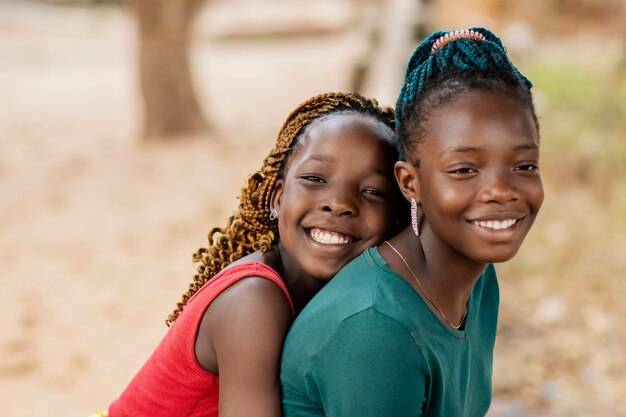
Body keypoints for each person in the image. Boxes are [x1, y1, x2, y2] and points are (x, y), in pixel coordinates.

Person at [280, 28, 544, 417]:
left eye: (524, 166)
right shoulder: (374, 329)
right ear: (410, 182)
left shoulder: (479, 281)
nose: (501, 191)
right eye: (464, 169)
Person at [95, 93, 407, 417]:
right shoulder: (253, 300)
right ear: (277, 197)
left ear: (399, 217)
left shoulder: (347, 299)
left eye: (373, 191)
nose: (339, 203)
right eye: (315, 179)